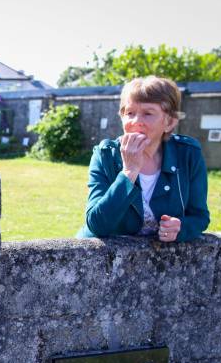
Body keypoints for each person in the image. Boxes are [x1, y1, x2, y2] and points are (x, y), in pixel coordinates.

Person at [77, 76, 210, 242]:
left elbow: (199, 217)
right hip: (105, 259)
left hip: (159, 261)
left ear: (169, 122)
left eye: (148, 113)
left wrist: (181, 227)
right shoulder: (105, 155)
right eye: (130, 113)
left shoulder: (188, 153)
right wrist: (128, 172)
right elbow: (97, 225)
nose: (136, 122)